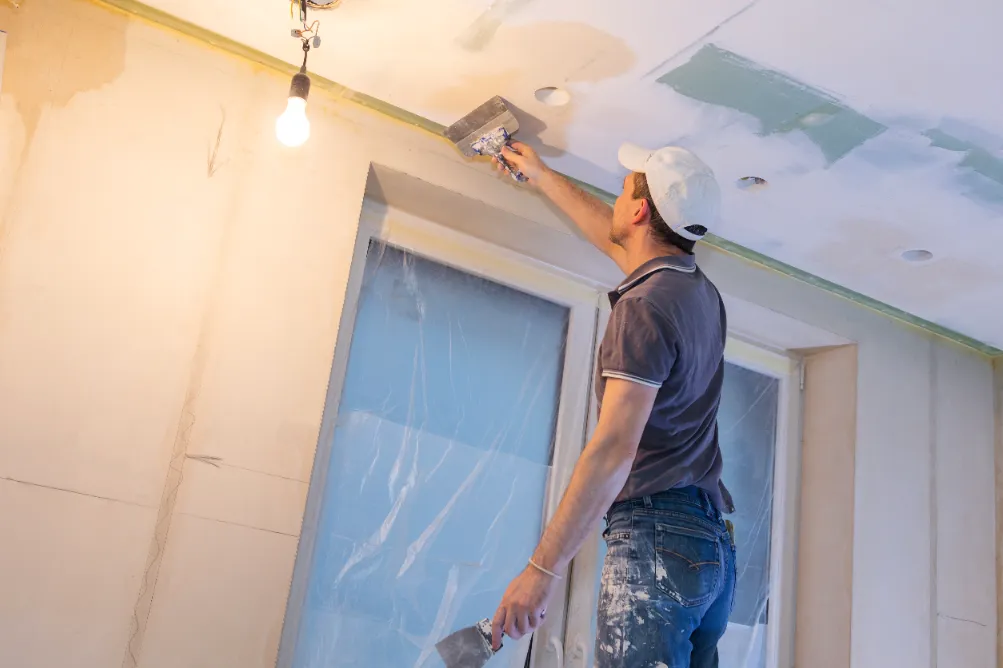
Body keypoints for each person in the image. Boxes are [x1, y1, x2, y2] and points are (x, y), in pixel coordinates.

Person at [490, 141, 736, 667]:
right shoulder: (696, 292)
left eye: (625, 191)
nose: (618, 200)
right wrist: (541, 174)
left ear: (640, 211)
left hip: (659, 541)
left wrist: (541, 570)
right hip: (710, 547)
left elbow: (612, 450)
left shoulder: (643, 308)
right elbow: (617, 238)